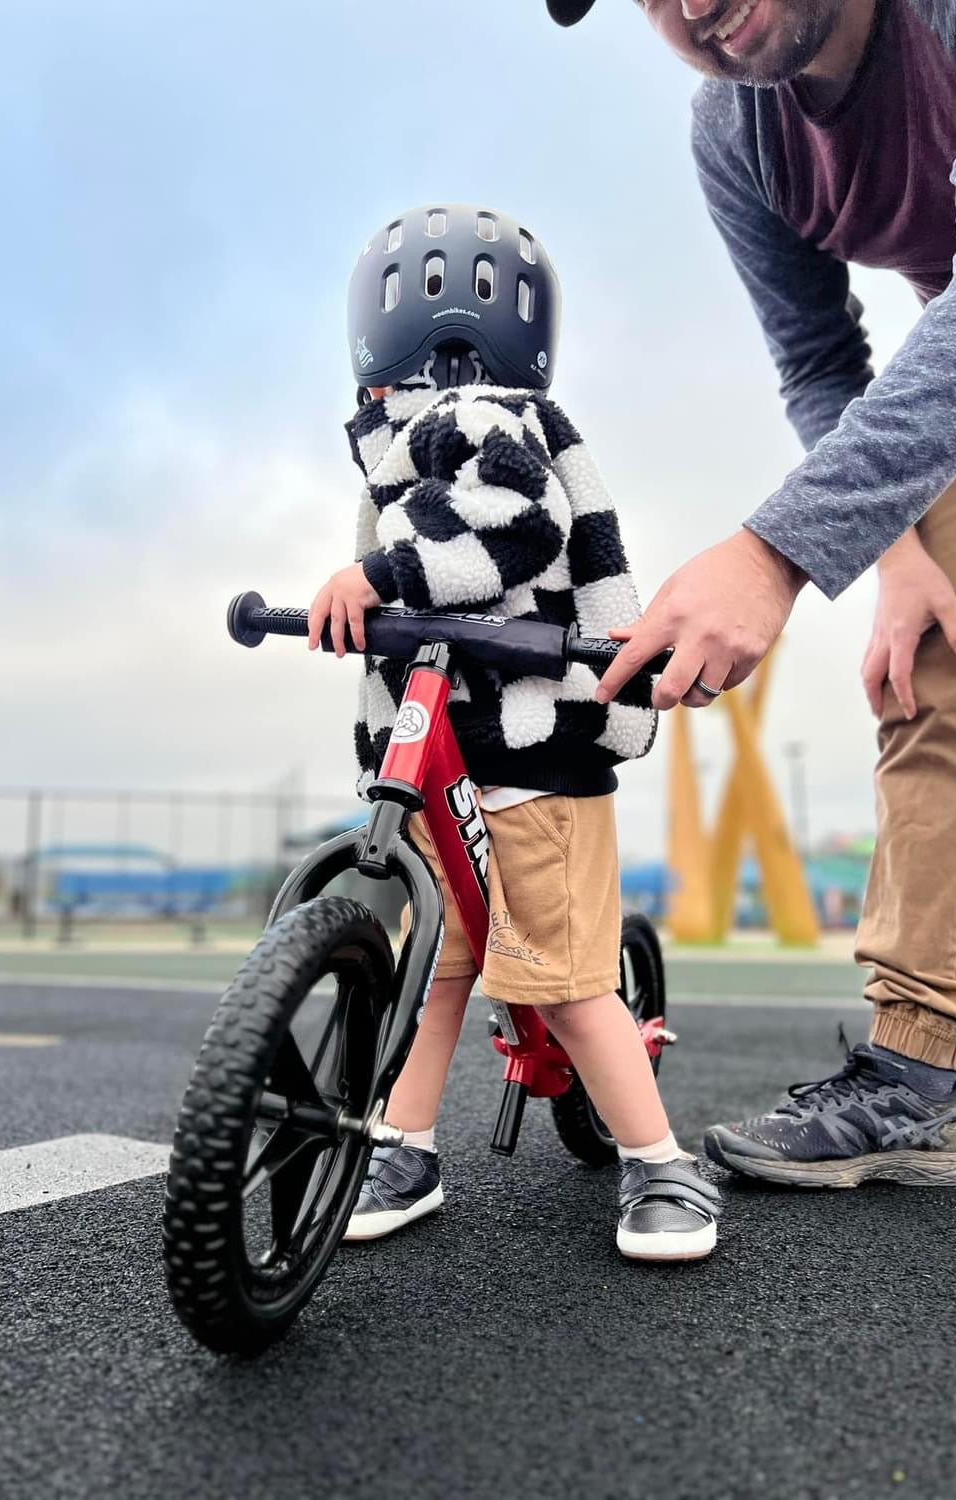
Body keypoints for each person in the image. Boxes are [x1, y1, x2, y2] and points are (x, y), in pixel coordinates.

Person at [548, 0, 956, 1186]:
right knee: (933, 674)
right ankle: (920, 1082)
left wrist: (775, 554)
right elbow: (820, 361)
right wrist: (893, 544)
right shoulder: (737, 134)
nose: (686, 6)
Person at [306, 202, 722, 1259]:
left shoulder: (486, 417)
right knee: (438, 971)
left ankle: (661, 1163)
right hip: (455, 765)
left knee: (574, 988)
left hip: (536, 756)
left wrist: (377, 576)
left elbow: (510, 528)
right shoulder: (400, 449)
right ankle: (405, 1145)